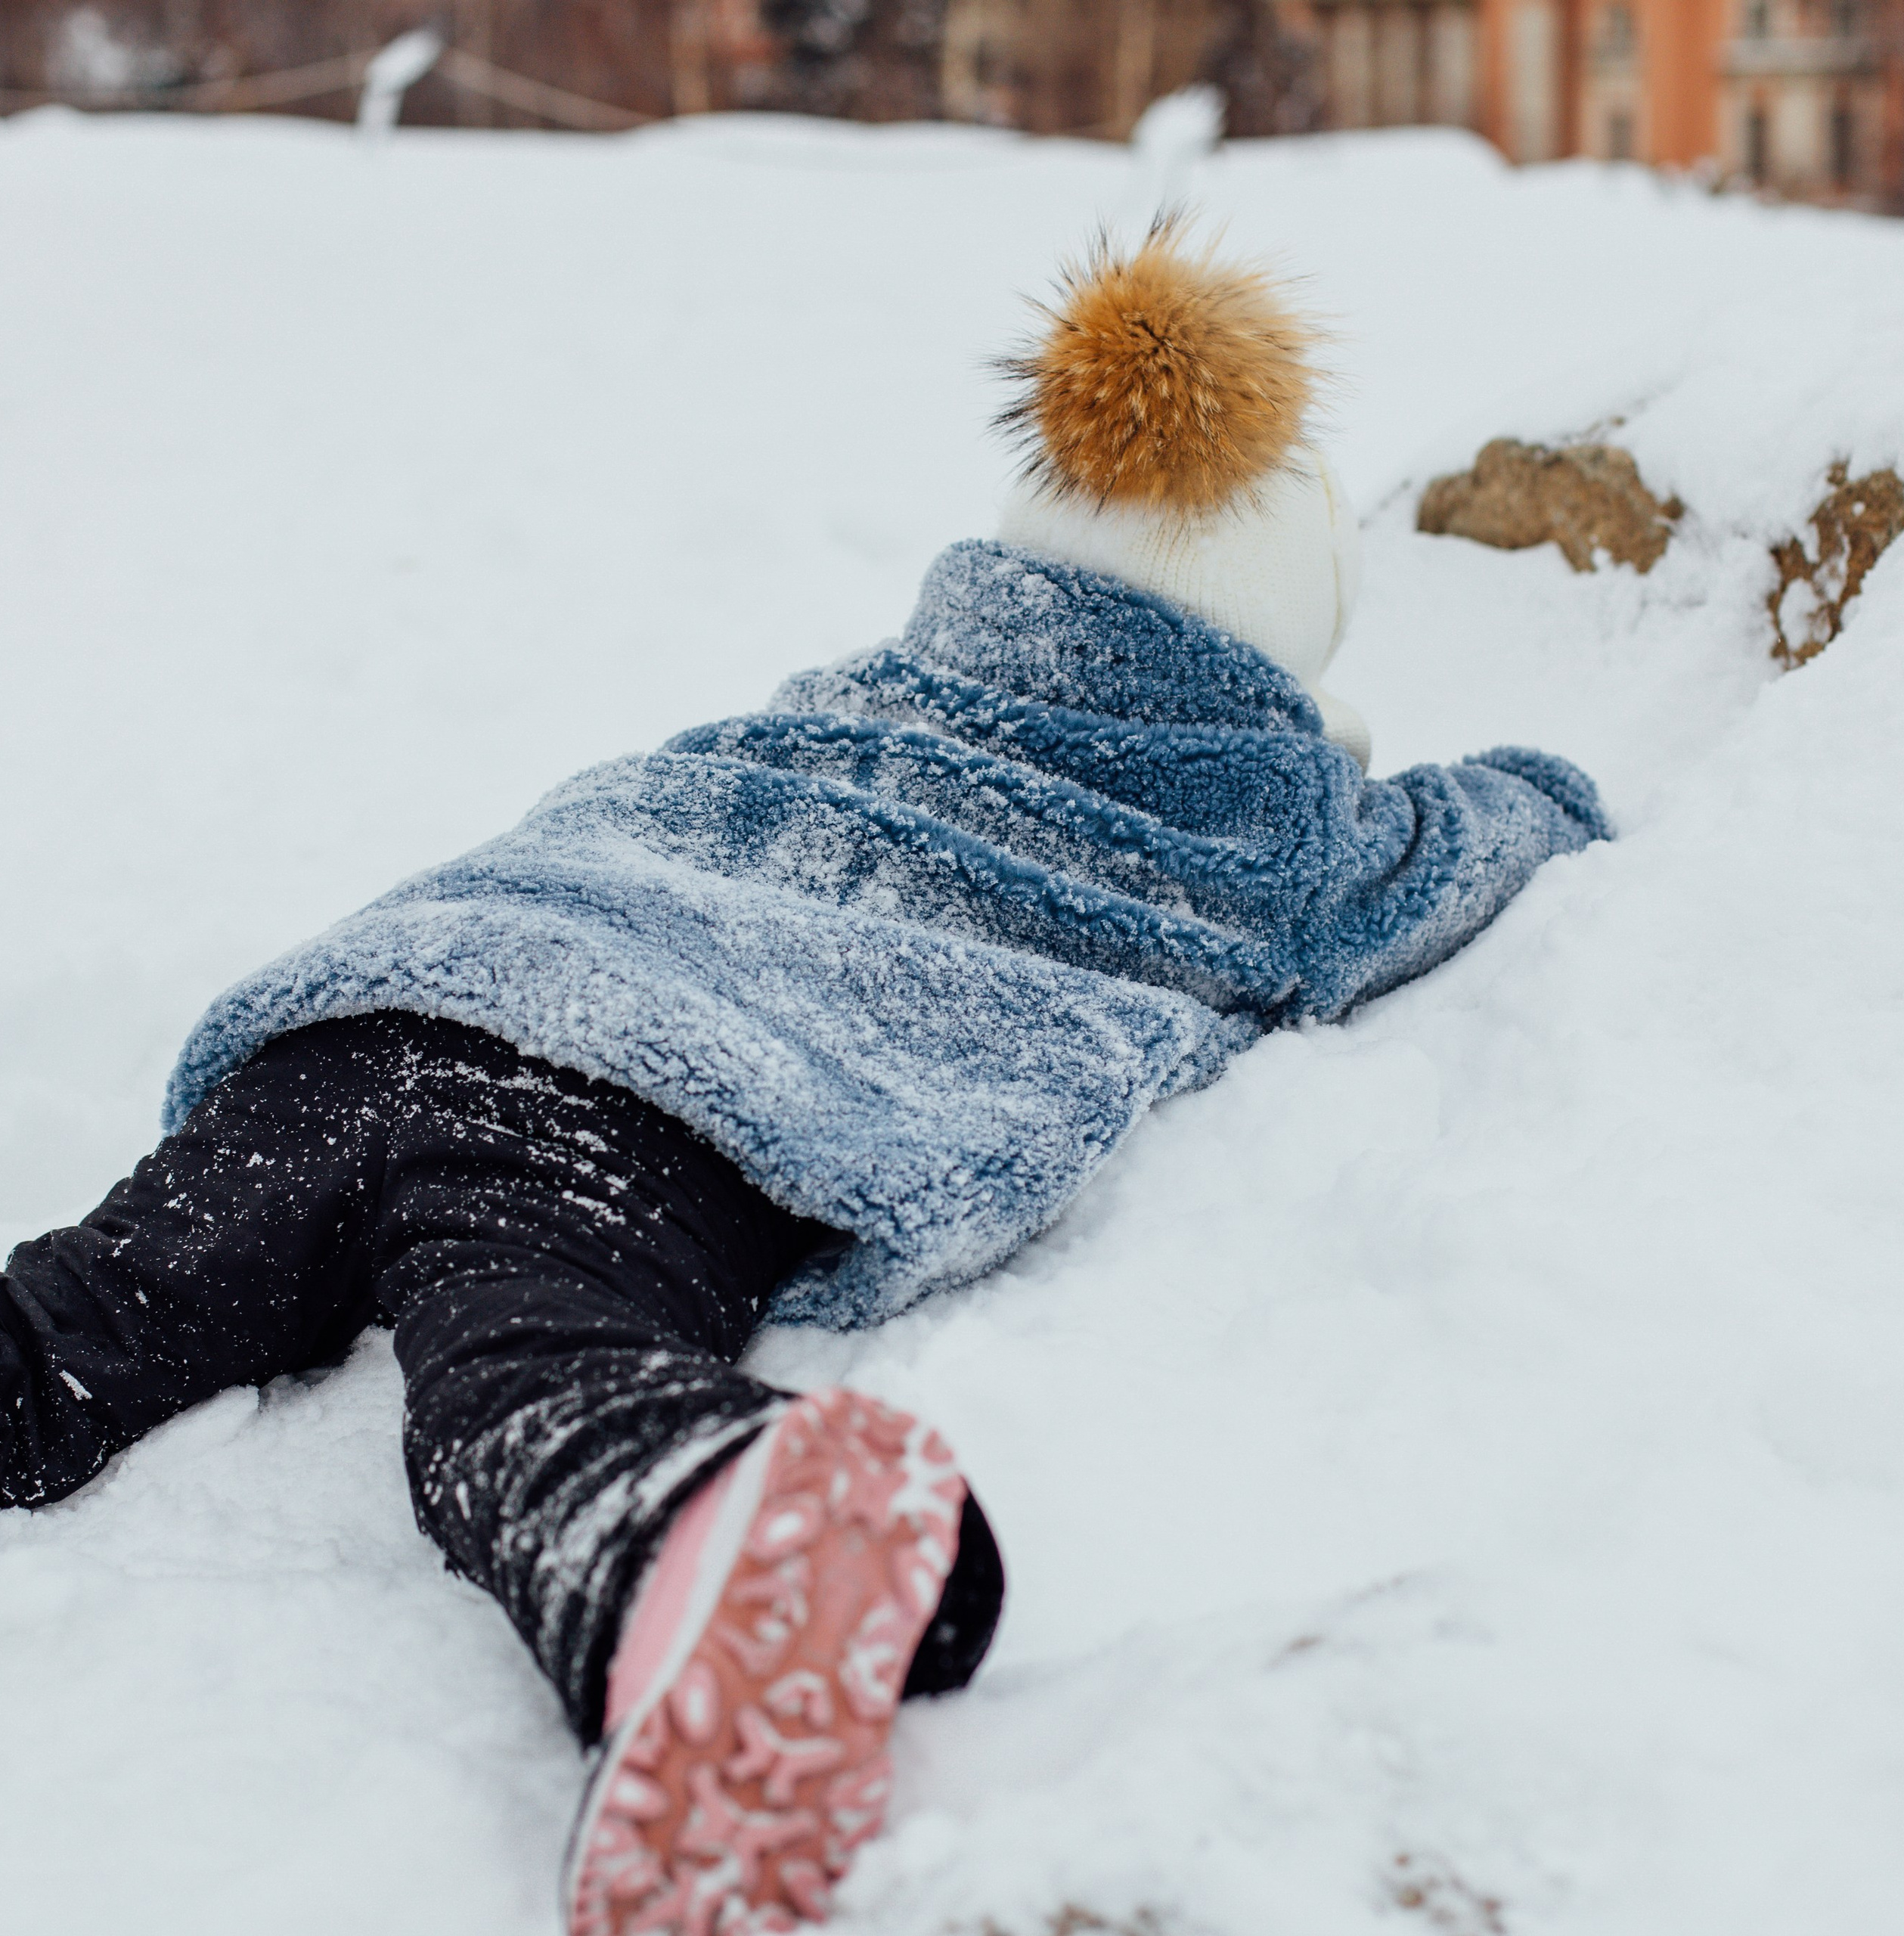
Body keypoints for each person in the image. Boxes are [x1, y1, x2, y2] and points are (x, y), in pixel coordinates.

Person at [0, 222, 1609, 1936]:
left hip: (414, 986)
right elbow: (1499, 828)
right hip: (638, 1098)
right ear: (1287, 634)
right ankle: (685, 1517)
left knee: (100, 1303)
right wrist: (1459, 779)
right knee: (521, 1363)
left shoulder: (870, 686)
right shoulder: (1271, 824)